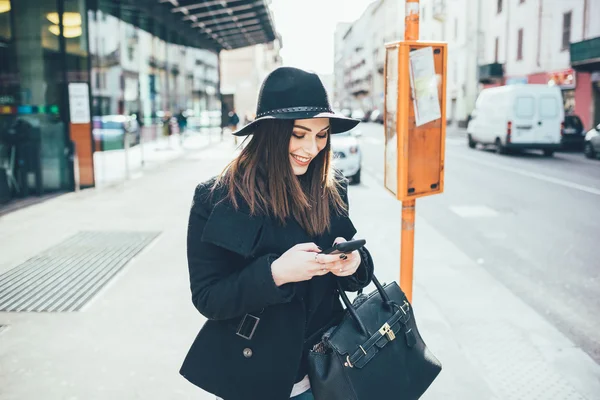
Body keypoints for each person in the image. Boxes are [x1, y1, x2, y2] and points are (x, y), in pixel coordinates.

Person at [180, 67, 375, 400]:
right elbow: (208, 297)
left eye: (321, 135)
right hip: (257, 377)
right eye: (299, 134)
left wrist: (354, 263)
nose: (311, 148)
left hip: (329, 372)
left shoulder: (331, 188)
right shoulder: (220, 198)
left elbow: (357, 267)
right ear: (269, 132)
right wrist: (275, 274)